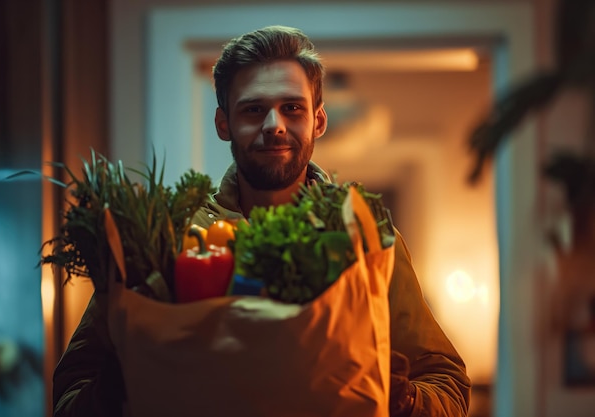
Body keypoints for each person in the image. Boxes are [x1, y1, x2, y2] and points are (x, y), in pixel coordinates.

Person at [53, 25, 471, 417]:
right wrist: (115, 389)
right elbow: (70, 393)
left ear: (318, 120)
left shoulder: (366, 238)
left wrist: (403, 398)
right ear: (224, 123)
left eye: (292, 108)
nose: (274, 125)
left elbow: (448, 384)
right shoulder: (167, 239)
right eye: (254, 109)